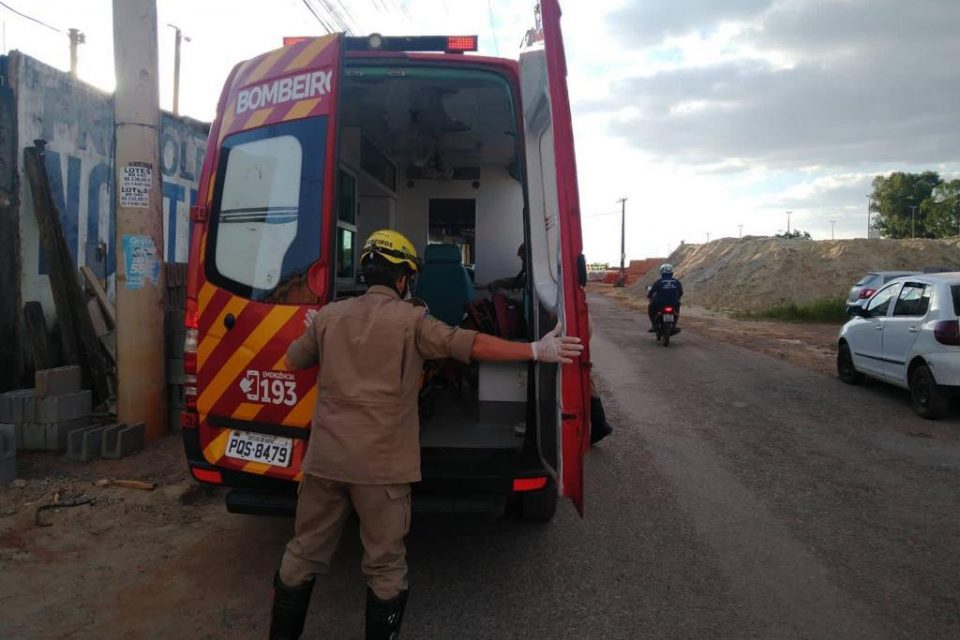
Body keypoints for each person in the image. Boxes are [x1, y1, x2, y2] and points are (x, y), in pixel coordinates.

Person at [270, 229, 583, 640]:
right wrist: (533, 350)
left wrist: (325, 342)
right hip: (382, 471)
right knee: (384, 568)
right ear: (403, 280)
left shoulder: (328, 317)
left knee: (302, 554)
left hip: (325, 461)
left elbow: (292, 363)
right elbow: (469, 345)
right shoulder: (412, 321)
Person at [647, 263, 684, 332]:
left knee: (650, 307)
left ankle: (654, 325)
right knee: (676, 309)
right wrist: (677, 299)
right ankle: (674, 325)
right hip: (674, 302)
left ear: (662, 272)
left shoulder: (658, 282)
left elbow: (651, 293)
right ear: (671, 272)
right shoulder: (677, 282)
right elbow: (681, 292)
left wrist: (650, 298)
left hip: (660, 303)